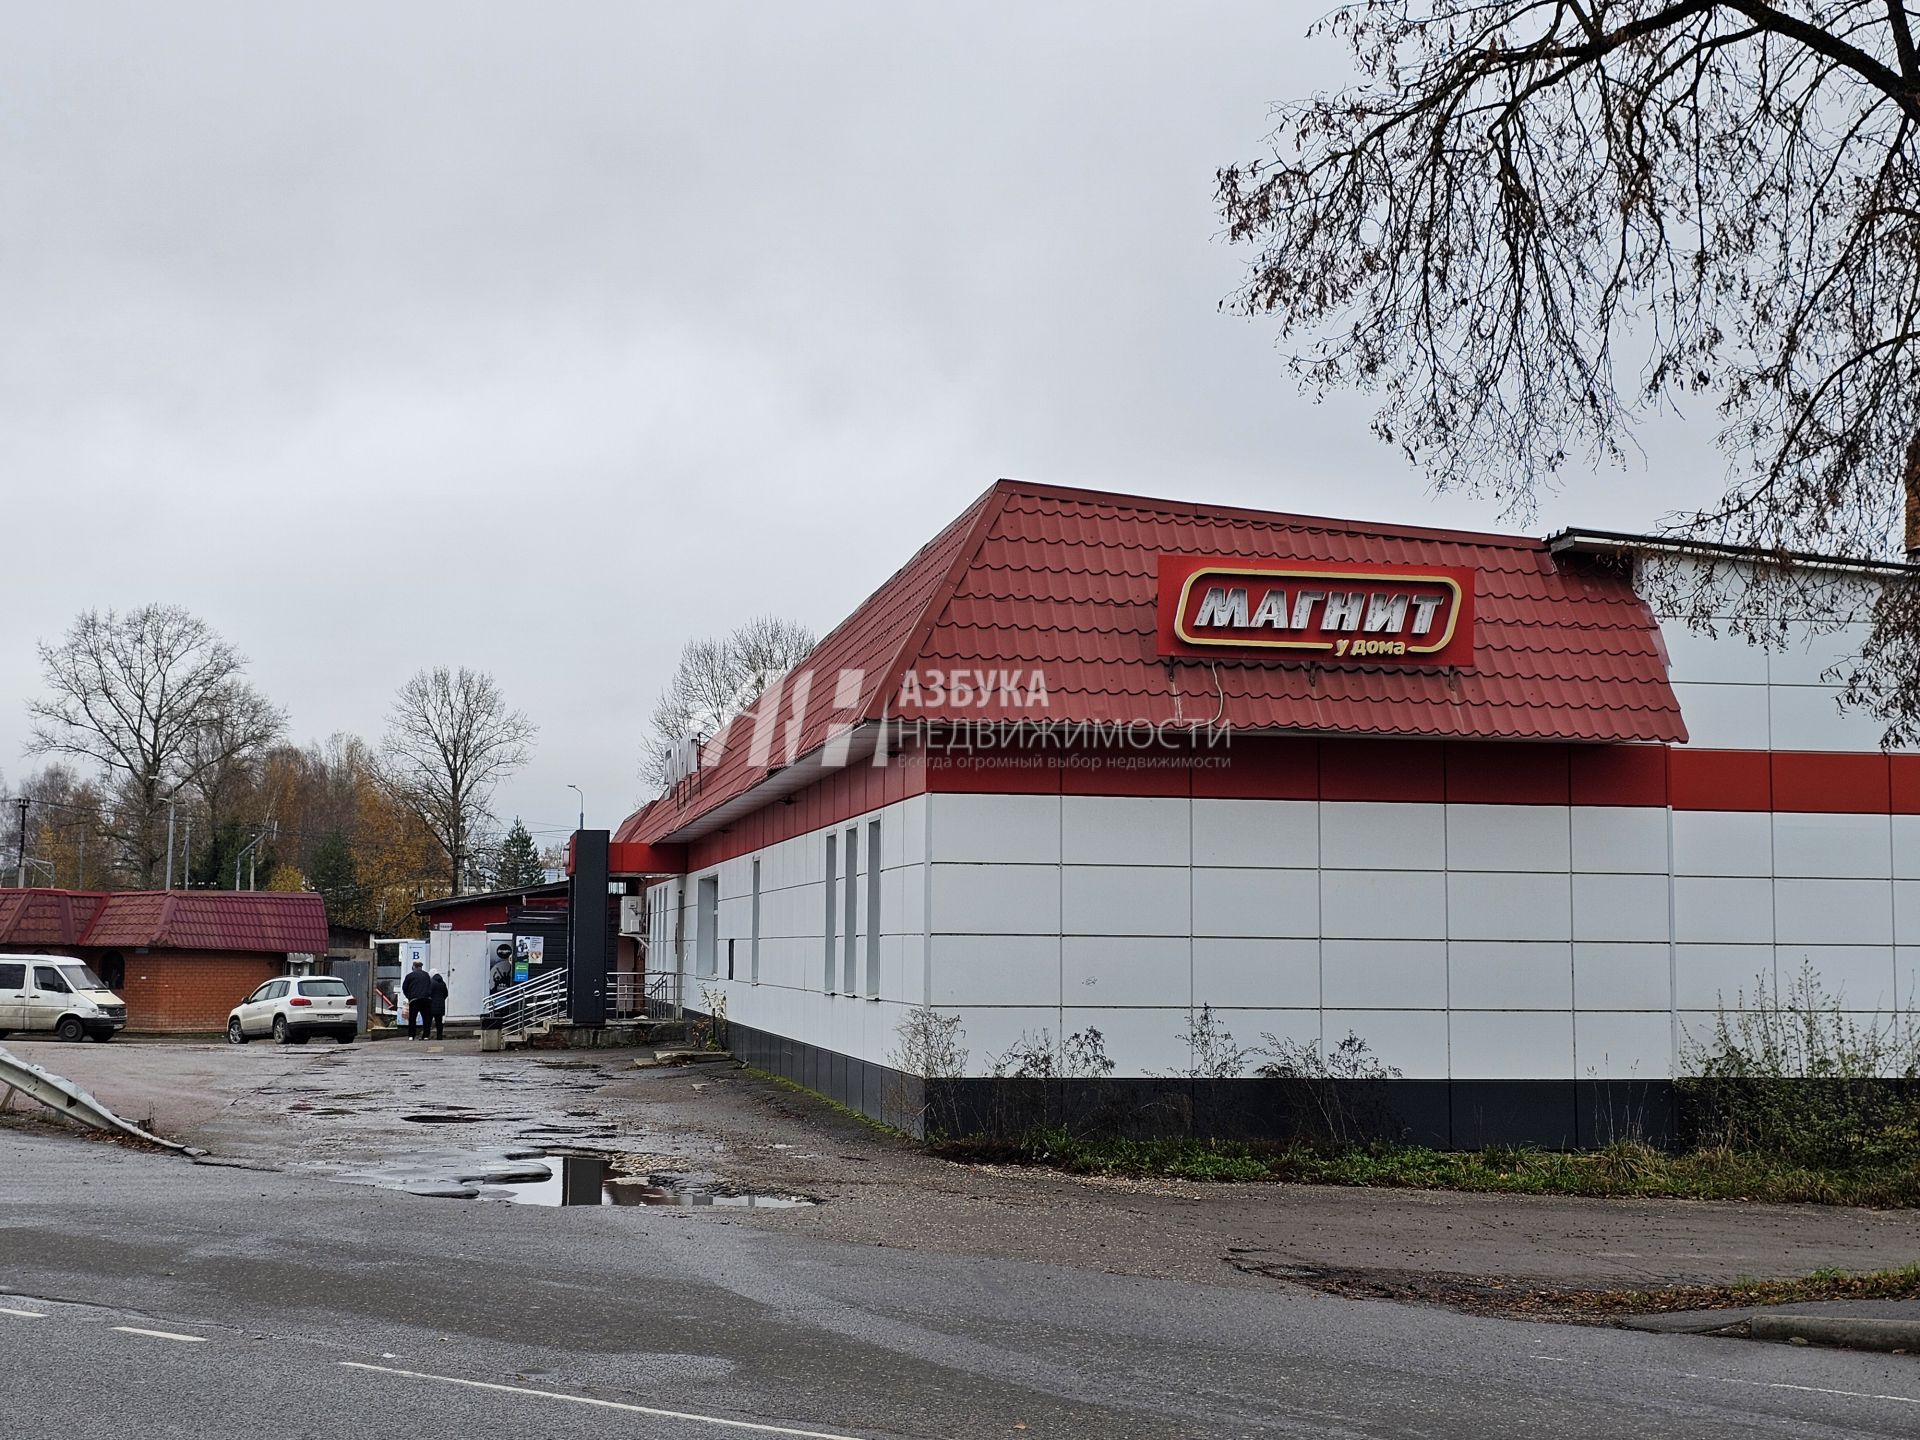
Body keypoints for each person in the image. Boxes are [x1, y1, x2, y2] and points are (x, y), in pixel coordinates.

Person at [401, 960, 431, 1040]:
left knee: (412, 1018)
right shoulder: (426, 975)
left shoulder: (409, 976)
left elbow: (404, 988)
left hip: (414, 999)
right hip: (425, 999)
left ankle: (411, 1035)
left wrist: (409, 997)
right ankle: (426, 1036)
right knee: (426, 1018)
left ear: (414, 967)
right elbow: (430, 986)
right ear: (421, 967)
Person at [428, 970, 448, 1041]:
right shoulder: (443, 983)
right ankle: (439, 1036)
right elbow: (446, 994)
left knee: (429, 1021)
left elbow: (429, 993)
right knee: (439, 1022)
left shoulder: (431, 982)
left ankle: (427, 1036)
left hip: (431, 1005)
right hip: (441, 1005)